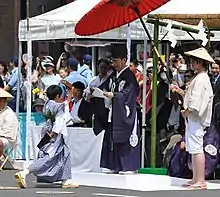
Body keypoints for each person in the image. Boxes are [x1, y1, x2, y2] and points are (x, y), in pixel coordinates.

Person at [14, 85, 78, 189]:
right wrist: (53, 135)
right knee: (48, 157)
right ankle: (25, 172)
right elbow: (59, 122)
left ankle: (66, 180)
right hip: (53, 134)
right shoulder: (58, 107)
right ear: (57, 96)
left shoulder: (47, 104)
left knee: (65, 153)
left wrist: (69, 94)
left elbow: (64, 104)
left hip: (47, 131)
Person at [93, 44, 140, 174]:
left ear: (124, 60)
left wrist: (115, 95)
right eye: (112, 61)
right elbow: (104, 86)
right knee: (111, 136)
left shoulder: (129, 77)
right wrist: (94, 92)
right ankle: (113, 165)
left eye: (116, 61)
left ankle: (128, 166)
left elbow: (130, 92)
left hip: (125, 111)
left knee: (124, 137)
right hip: (113, 111)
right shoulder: (113, 74)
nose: (113, 64)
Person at [181, 47, 214, 189]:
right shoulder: (201, 77)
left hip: (196, 117)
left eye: (193, 61)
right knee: (194, 148)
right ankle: (196, 178)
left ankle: (200, 180)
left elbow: (196, 100)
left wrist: (187, 111)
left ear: (200, 62)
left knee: (197, 147)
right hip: (194, 118)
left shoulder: (201, 79)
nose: (191, 63)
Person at [0, 88, 18, 157]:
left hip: (7, 139)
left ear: (5, 101)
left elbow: (8, 131)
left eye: (1, 100)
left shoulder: (9, 113)